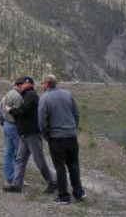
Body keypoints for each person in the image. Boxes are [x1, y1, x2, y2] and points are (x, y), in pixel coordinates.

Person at [3, 76, 56, 194]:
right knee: (20, 159)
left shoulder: (31, 95)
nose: (19, 85)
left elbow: (23, 111)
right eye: (19, 84)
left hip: (32, 133)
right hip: (25, 133)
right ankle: (17, 184)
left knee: (38, 160)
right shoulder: (26, 95)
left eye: (21, 83)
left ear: (28, 84)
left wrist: (10, 110)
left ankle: (52, 182)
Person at [38, 73, 85, 204]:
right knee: (74, 165)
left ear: (47, 84)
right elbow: (76, 114)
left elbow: (42, 121)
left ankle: (64, 196)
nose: (42, 85)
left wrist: (47, 136)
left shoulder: (44, 98)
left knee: (60, 167)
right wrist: (72, 128)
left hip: (56, 138)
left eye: (42, 83)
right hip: (71, 136)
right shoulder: (68, 94)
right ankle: (79, 193)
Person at [0, 79, 23, 185]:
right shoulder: (17, 97)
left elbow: (0, 110)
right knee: (19, 153)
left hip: (7, 124)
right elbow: (18, 114)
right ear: (19, 86)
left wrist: (1, 121)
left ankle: (9, 176)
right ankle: (16, 178)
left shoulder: (7, 94)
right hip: (14, 126)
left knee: (9, 151)